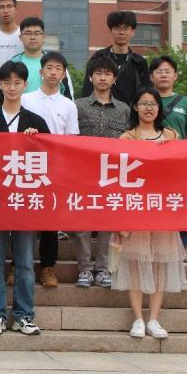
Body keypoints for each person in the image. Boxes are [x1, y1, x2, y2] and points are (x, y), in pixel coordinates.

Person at [0, 60, 50, 336]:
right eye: (7, 82)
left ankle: (24, 315)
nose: (11, 87)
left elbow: (50, 159)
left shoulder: (36, 122)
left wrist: (36, 142)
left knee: (25, 264)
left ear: (25, 85)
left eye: (17, 82)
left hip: (25, 204)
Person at [115, 87, 185, 340]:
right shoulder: (126, 138)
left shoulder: (171, 135)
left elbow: (182, 169)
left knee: (159, 265)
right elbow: (120, 174)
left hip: (163, 208)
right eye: (143, 103)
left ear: (159, 107)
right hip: (136, 208)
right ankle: (137, 318)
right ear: (135, 107)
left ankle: (154, 319)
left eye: (153, 103)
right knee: (135, 264)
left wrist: (170, 151)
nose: (148, 108)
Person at [21, 51, 79, 288]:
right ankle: (18, 265)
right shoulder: (25, 100)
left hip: (55, 168)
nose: (53, 72)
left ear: (64, 75)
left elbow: (72, 139)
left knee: (50, 220)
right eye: (49, 68)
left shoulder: (68, 105)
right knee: (23, 219)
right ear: (40, 71)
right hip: (26, 166)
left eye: (58, 69)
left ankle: (47, 267)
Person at [73, 55, 130, 289]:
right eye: (98, 73)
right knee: (82, 224)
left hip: (112, 173)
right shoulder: (77, 106)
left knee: (108, 222)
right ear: (90, 77)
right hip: (83, 172)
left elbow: (129, 141)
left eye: (108, 74)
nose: (103, 78)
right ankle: (85, 269)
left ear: (114, 79)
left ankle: (103, 268)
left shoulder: (124, 109)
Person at [149, 54, 187, 285]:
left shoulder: (185, 103)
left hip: (178, 172)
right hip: (149, 172)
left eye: (167, 71)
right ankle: (150, 272)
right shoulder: (144, 100)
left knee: (180, 221)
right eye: (159, 71)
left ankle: (177, 272)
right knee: (150, 221)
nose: (163, 75)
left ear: (175, 76)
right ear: (151, 76)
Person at [81, 10, 150, 107]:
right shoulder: (98, 57)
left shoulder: (139, 62)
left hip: (131, 114)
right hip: (102, 112)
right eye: (117, 28)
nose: (121, 32)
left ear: (132, 32)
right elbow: (87, 90)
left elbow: (146, 93)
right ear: (110, 31)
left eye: (126, 28)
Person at [9, 17, 74, 98]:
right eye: (28, 33)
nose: (33, 37)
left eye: (37, 33)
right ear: (20, 37)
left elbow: (68, 95)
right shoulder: (13, 63)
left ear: (43, 37)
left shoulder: (57, 63)